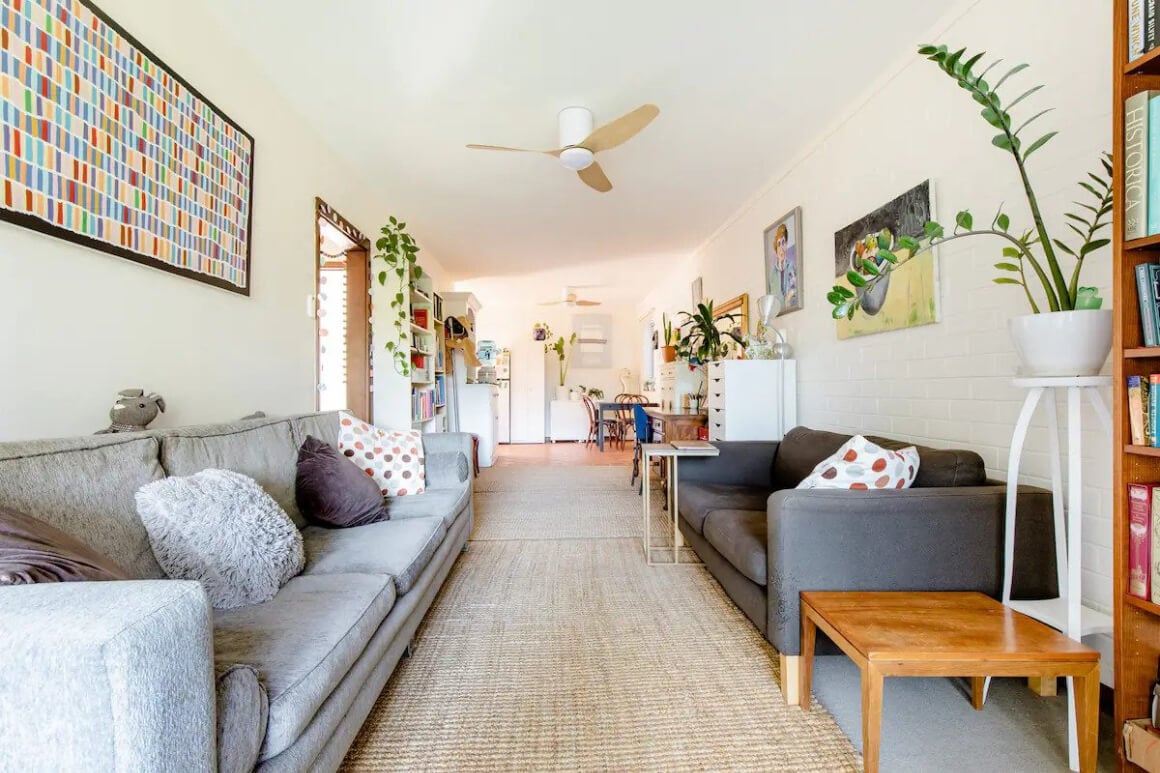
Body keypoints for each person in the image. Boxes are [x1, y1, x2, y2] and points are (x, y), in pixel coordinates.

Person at [772, 222, 797, 311]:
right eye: (779, 244)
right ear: (776, 248)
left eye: (783, 243)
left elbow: (795, 287)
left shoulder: (791, 266)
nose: (781, 248)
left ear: (786, 245)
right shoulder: (772, 274)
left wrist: (790, 295)